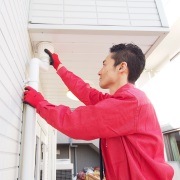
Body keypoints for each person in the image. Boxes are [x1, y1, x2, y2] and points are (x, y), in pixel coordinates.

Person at [24, 43, 174, 180]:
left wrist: (40, 103)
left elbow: (77, 123)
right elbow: (87, 93)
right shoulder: (125, 100)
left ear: (121, 67)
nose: (99, 72)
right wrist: (59, 66)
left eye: (104, 65)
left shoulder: (130, 102)